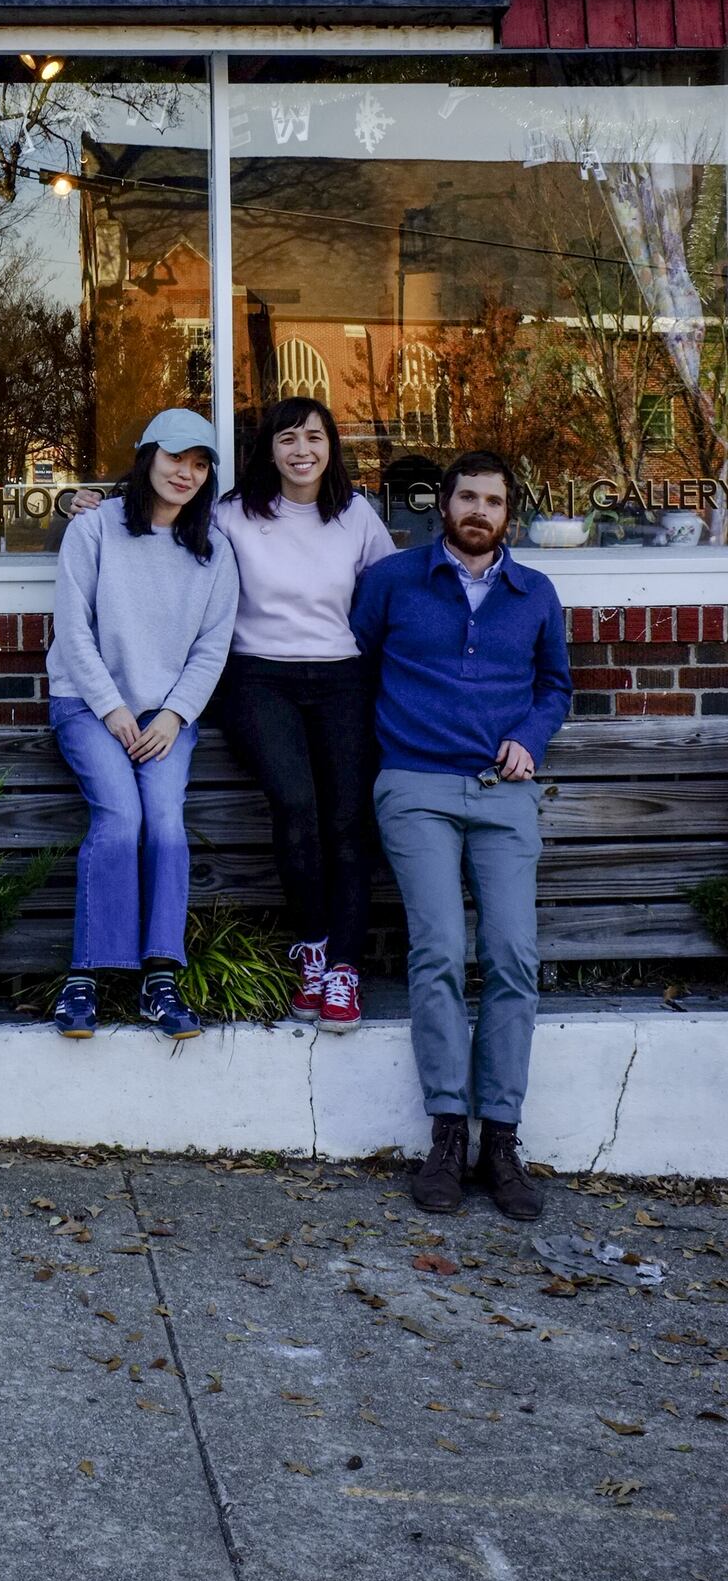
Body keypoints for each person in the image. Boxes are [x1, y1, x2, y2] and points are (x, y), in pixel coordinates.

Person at [350, 450, 572, 1222]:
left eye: (495, 501)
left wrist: (533, 737)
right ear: (441, 504)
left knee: (513, 952)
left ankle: (501, 1141)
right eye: (467, 497)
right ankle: (447, 1131)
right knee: (439, 946)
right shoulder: (392, 583)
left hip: (504, 789)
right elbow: (356, 667)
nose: (480, 511)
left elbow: (556, 686)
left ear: (511, 514)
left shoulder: (535, 593)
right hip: (414, 785)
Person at [45, 409, 239, 1041]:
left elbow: (212, 647)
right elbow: (73, 630)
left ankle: (160, 977)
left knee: (164, 823)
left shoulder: (214, 549)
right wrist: (113, 709)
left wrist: (175, 714)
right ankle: (86, 977)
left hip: (165, 716)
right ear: (148, 456)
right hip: (88, 703)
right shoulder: (95, 528)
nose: (186, 472)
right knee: (120, 819)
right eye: (175, 457)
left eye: (200, 463)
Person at [212, 398, 396, 1034]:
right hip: (260, 676)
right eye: (287, 439)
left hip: (343, 677)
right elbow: (167, 535)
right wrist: (90, 506)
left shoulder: (355, 515)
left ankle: (344, 967)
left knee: (348, 817)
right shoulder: (232, 515)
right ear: (268, 448)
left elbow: (388, 591)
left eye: (314, 438)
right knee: (297, 807)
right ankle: (313, 949)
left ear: (331, 447)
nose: (301, 451)